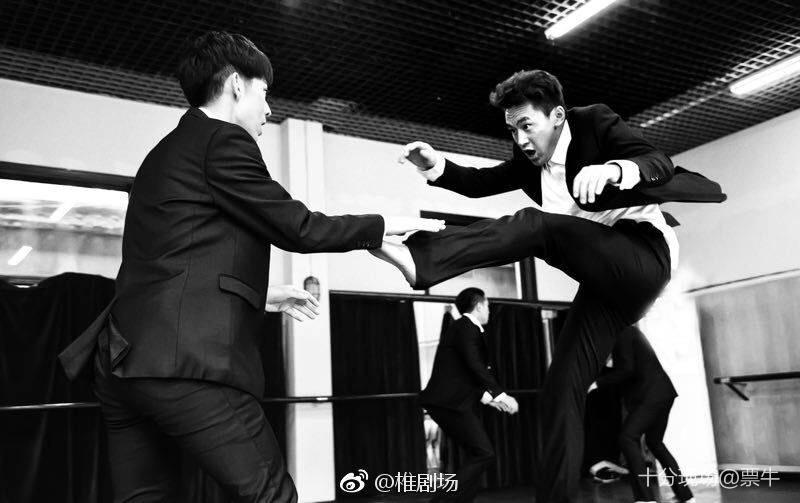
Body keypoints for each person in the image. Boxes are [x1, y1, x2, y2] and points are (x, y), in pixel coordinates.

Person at [58, 31, 444, 503]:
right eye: (264, 93)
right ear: (237, 85)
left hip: (122, 362)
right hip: (186, 366)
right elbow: (298, 227)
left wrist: (261, 295)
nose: (268, 109)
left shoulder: (163, 153)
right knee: (271, 496)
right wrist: (380, 225)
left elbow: (172, 262)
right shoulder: (223, 140)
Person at [371, 69, 724, 502]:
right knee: (561, 389)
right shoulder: (529, 162)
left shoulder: (593, 122)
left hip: (643, 255)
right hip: (604, 283)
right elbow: (481, 183)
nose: (520, 140)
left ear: (557, 116)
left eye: (527, 126)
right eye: (512, 130)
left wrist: (616, 169)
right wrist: (435, 166)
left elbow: (657, 161)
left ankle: (422, 260)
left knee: (537, 226)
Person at [419, 288, 518, 502]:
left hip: (449, 403)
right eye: (488, 306)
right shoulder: (465, 327)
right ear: (479, 306)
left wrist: (490, 400)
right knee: (484, 453)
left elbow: (463, 372)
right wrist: (501, 395)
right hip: (449, 404)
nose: (489, 311)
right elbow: (474, 365)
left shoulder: (464, 328)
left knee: (479, 453)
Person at [589, 326, 695, 503]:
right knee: (655, 443)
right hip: (662, 393)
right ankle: (686, 496)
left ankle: (645, 498)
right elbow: (629, 365)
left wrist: (596, 384)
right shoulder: (626, 333)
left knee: (627, 438)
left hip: (651, 395)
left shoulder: (622, 332)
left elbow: (626, 369)